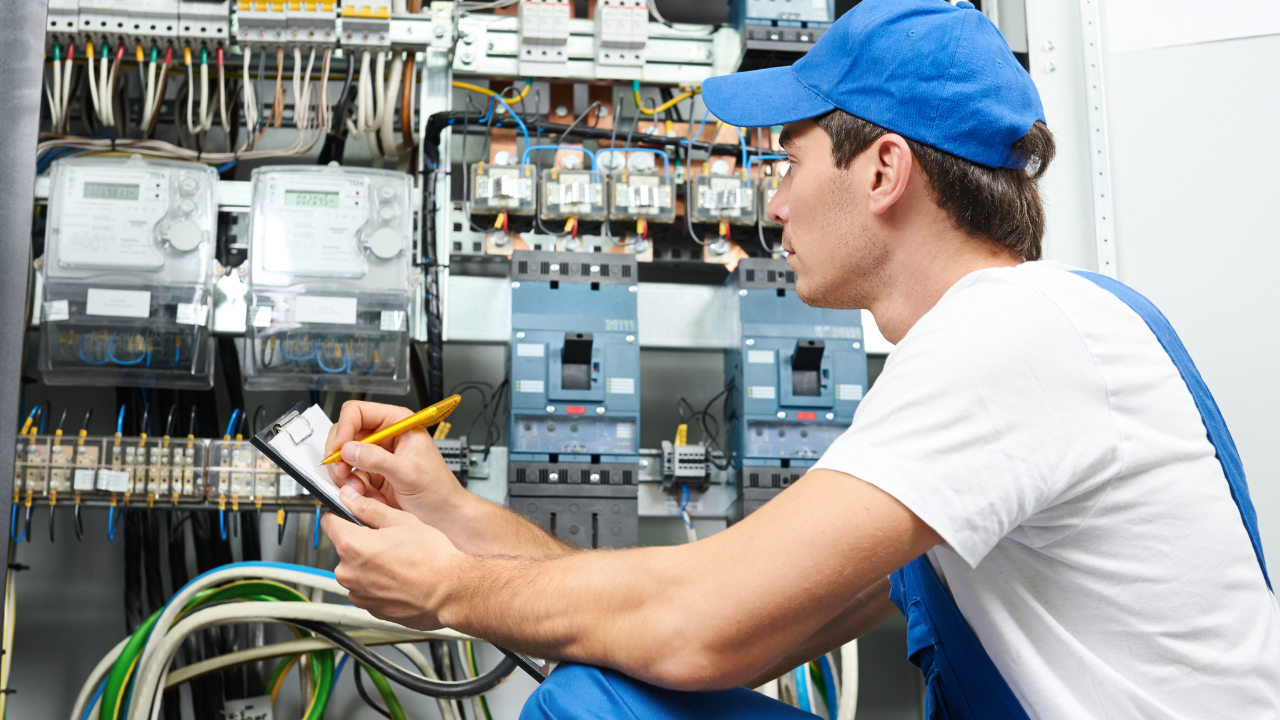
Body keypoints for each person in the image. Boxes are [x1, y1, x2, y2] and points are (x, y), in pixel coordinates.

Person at [320, 0, 1280, 717]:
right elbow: (715, 621)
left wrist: (447, 591)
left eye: (789, 160)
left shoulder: (1012, 335)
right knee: (609, 686)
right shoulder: (999, 353)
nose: (773, 205)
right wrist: (455, 520)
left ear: (884, 170)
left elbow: (692, 627)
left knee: (593, 707)